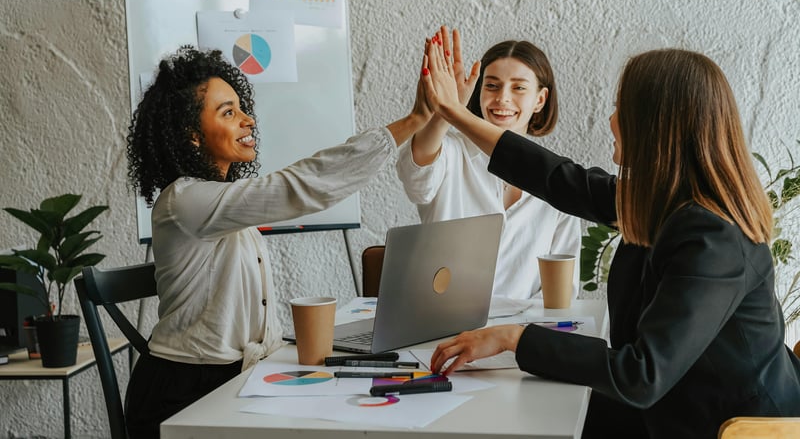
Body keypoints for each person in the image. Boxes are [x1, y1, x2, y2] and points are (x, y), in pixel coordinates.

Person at [421, 38, 800, 438]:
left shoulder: (713, 236)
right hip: (674, 404)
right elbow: (557, 178)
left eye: (622, 108)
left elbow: (640, 374)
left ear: (656, 125)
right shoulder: (663, 201)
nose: (612, 120)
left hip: (727, 426)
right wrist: (452, 113)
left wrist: (514, 338)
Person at [124, 46, 431, 438]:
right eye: (228, 113)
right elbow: (298, 188)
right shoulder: (185, 201)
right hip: (183, 393)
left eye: (241, 108)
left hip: (231, 380)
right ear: (192, 136)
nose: (248, 120)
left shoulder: (222, 202)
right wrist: (414, 121)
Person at [396, 27, 581, 299]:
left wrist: (518, 336)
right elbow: (416, 178)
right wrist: (447, 109)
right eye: (492, 85)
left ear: (540, 99)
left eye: (518, 87)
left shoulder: (558, 179)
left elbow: (562, 289)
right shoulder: (450, 152)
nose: (502, 98)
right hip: (443, 328)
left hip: (519, 334)